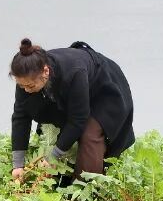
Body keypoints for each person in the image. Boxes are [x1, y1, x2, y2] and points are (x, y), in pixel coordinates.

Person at [9, 39, 135, 183]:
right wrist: (18, 164)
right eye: (21, 86)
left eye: (29, 86)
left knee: (89, 134)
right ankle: (63, 179)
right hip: (74, 89)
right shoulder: (27, 76)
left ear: (45, 71)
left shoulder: (74, 72)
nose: (25, 90)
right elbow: (21, 116)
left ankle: (84, 190)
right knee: (61, 129)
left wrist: (53, 157)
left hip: (103, 88)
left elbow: (78, 119)